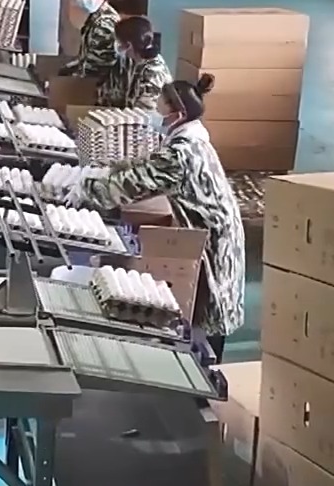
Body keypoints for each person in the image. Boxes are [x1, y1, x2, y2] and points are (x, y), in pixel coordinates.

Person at [68, 75, 246, 360]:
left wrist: (87, 188)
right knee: (205, 308)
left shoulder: (181, 154)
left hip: (214, 244)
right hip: (210, 231)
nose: (154, 115)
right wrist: (113, 168)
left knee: (208, 315)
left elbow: (132, 186)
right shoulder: (188, 139)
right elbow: (147, 164)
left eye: (159, 108)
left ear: (177, 115)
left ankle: (206, 370)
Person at [97, 16, 173, 111]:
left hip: (144, 118)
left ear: (128, 45)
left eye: (119, 42)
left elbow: (143, 113)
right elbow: (109, 95)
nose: (117, 46)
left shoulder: (153, 73)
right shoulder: (130, 61)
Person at [57, 0, 119, 81]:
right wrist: (70, 68)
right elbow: (87, 56)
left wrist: (69, 80)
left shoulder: (105, 24)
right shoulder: (96, 15)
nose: (84, 0)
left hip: (100, 82)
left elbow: (97, 66)